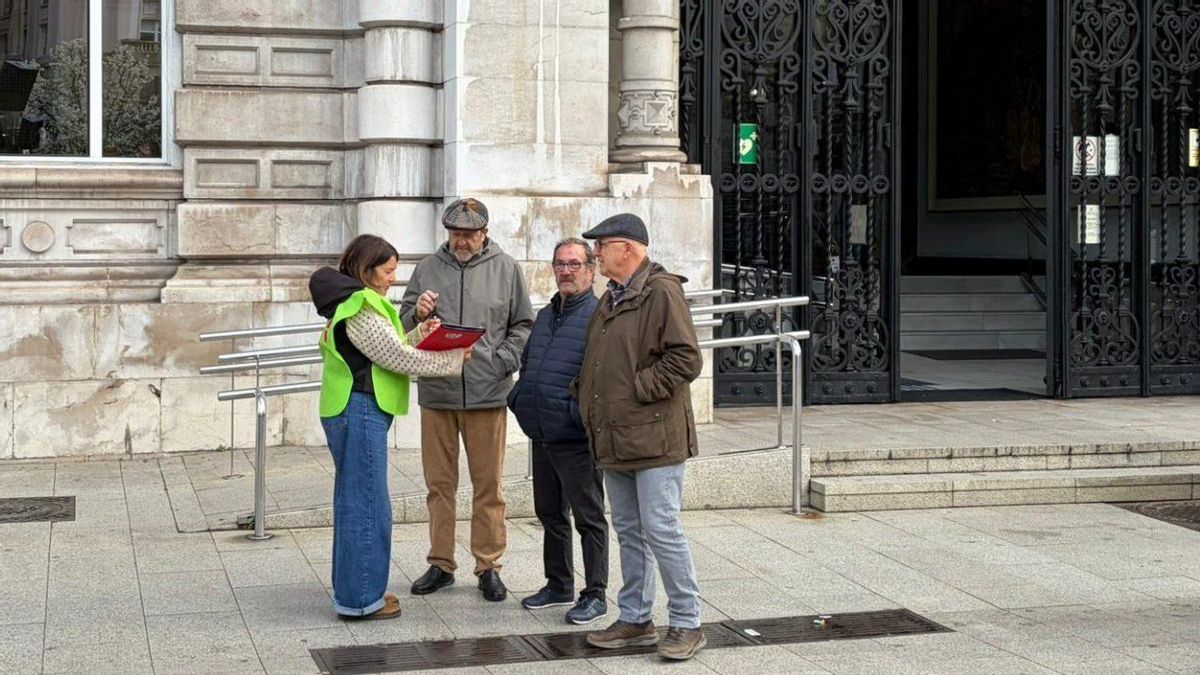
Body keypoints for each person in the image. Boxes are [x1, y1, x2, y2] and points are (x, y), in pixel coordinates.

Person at [309, 234, 469, 620]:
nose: (392, 278)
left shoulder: (355, 302)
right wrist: (452, 358)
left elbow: (386, 347)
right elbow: (394, 357)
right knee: (367, 507)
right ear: (366, 269)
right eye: (387, 270)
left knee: (354, 502)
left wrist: (424, 335)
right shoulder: (362, 304)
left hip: (351, 406)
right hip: (359, 408)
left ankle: (354, 591)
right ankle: (363, 599)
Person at [574, 213, 707, 660]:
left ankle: (688, 622)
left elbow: (686, 359)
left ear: (628, 249)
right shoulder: (610, 298)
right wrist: (585, 400)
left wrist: (639, 390)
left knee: (662, 528)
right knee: (630, 530)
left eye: (602, 246)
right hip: (614, 437)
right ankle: (635, 618)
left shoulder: (662, 291)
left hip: (654, 438)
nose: (596, 254)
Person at [399, 197, 534, 602]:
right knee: (439, 485)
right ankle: (440, 563)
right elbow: (401, 325)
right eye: (455, 234)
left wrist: (500, 362)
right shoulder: (426, 268)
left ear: (485, 233)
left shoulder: (507, 268)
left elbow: (523, 325)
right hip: (437, 393)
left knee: (488, 486)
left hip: (487, 393)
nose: (461, 241)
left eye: (469, 235)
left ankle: (488, 565)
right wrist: (417, 314)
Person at [508, 238, 609, 625]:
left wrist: (574, 412)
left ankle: (596, 593)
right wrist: (520, 397)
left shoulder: (599, 315)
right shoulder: (548, 313)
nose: (566, 271)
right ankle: (559, 584)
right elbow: (530, 360)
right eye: (560, 264)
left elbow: (601, 377)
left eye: (574, 264)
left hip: (575, 436)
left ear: (591, 269)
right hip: (542, 431)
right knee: (549, 512)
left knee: (589, 517)